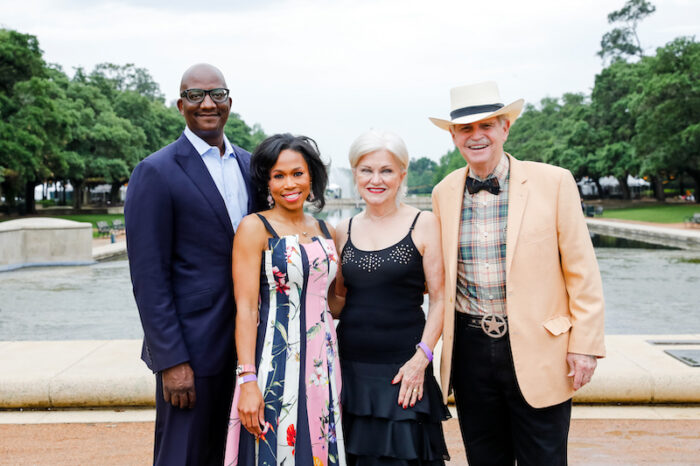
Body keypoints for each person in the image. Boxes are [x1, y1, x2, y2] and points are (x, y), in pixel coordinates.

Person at [430, 81, 606, 465]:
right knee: (484, 458)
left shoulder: (554, 181)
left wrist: (585, 345)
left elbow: (583, 271)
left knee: (543, 458)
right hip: (470, 351)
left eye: (487, 126)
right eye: (466, 129)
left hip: (542, 348)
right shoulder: (443, 192)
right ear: (453, 136)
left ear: (505, 128)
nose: (476, 136)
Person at [125, 63, 256, 465]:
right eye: (196, 95)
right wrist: (172, 361)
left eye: (217, 94)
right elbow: (149, 278)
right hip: (192, 353)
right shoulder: (155, 172)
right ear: (181, 104)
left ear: (229, 102)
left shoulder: (253, 167)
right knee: (185, 456)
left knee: (242, 453)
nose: (207, 104)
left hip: (251, 348)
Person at [224, 134, 346, 466]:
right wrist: (248, 379)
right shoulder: (254, 228)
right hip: (274, 361)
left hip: (323, 362)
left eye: (297, 173)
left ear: (312, 177)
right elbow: (247, 309)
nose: (289, 184)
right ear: (267, 181)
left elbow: (333, 302)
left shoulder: (326, 230)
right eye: (278, 176)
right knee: (273, 450)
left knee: (318, 449)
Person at [330, 130, 450, 465]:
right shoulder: (343, 230)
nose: (376, 179)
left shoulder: (424, 224)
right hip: (349, 367)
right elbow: (339, 299)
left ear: (402, 175)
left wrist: (420, 360)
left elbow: (440, 300)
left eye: (386, 170)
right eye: (366, 170)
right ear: (355, 174)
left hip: (404, 367)